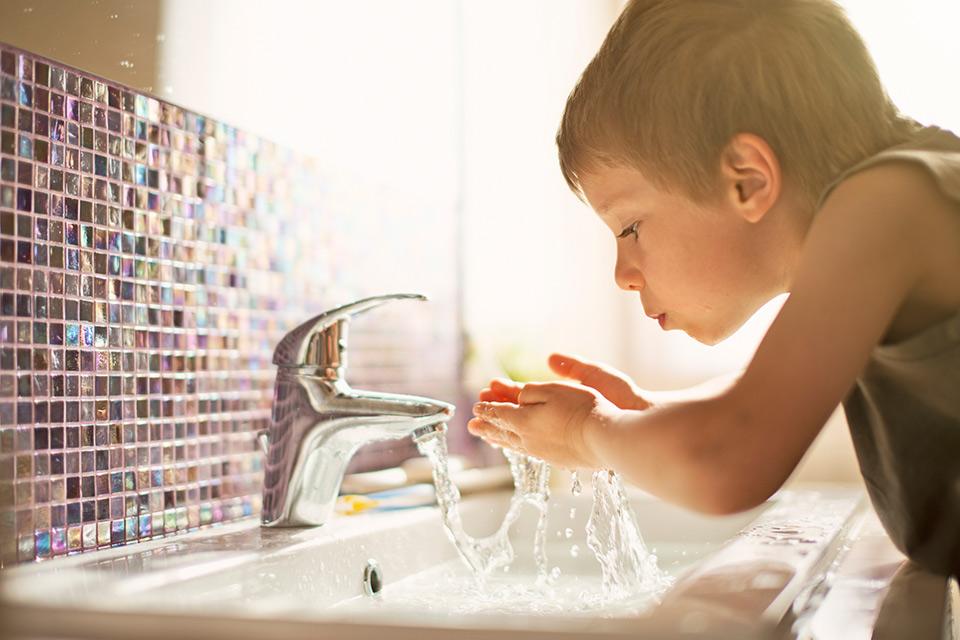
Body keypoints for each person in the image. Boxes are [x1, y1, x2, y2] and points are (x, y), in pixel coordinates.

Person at [468, 0, 960, 578]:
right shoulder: (908, 190)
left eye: (630, 228)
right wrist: (644, 414)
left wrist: (589, 433)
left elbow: (731, 458)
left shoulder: (887, 204)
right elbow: (762, 398)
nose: (622, 274)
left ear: (746, 180)